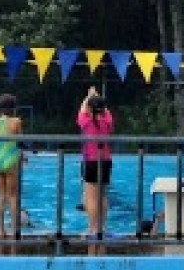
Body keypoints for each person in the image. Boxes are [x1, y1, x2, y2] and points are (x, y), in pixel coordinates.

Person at [76, 87, 114, 254]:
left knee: (91, 197)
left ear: (90, 108)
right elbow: (104, 110)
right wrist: (97, 97)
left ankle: (93, 229)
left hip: (90, 160)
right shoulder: (107, 120)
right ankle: (102, 228)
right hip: (105, 160)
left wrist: (89, 95)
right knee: (103, 196)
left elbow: (83, 108)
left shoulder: (85, 120)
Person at [0, 93, 24, 254]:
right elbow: (20, 141)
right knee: (13, 196)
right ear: (14, 108)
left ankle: (1, 230)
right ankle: (15, 230)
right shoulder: (16, 122)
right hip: (11, 160)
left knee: (1, 195)